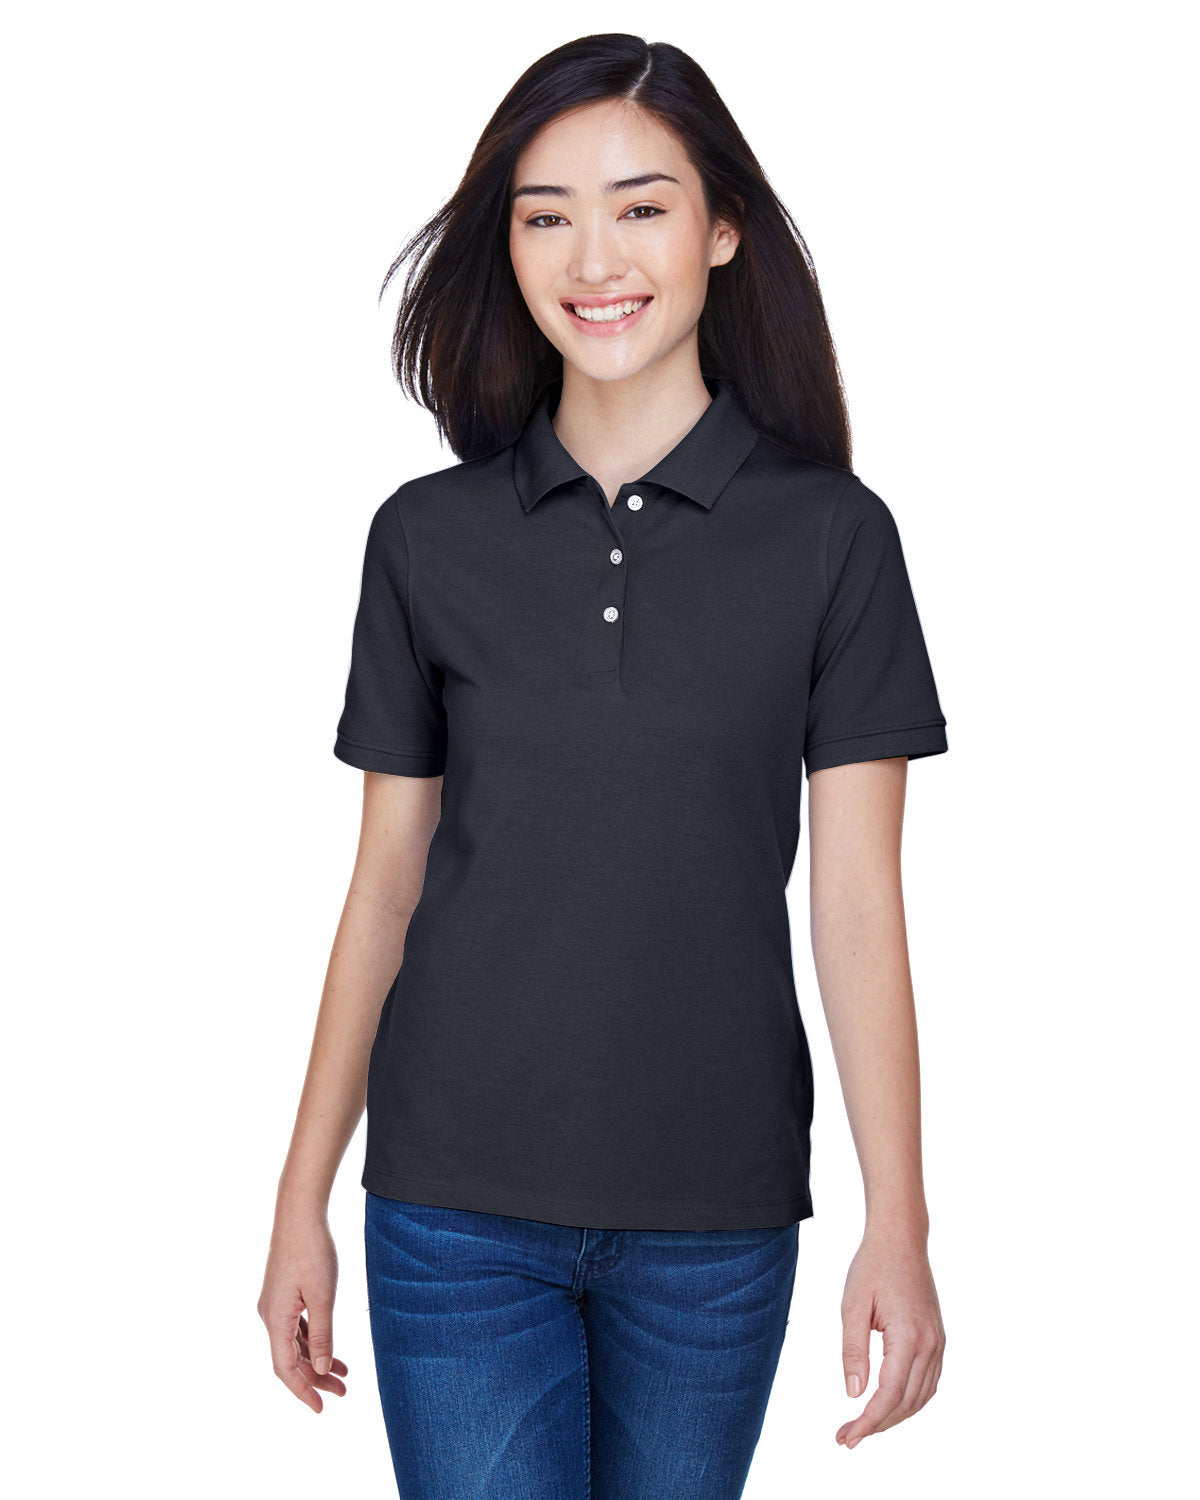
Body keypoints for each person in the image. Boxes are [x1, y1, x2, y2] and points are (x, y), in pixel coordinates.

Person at [258, 32, 948, 1499]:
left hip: (717, 1216)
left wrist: (900, 1224)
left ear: (722, 228)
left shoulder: (835, 540)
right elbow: (383, 890)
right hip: (453, 1210)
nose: (594, 258)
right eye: (545, 215)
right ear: (506, 243)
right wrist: (298, 1196)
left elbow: (858, 910)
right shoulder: (426, 539)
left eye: (641, 206)